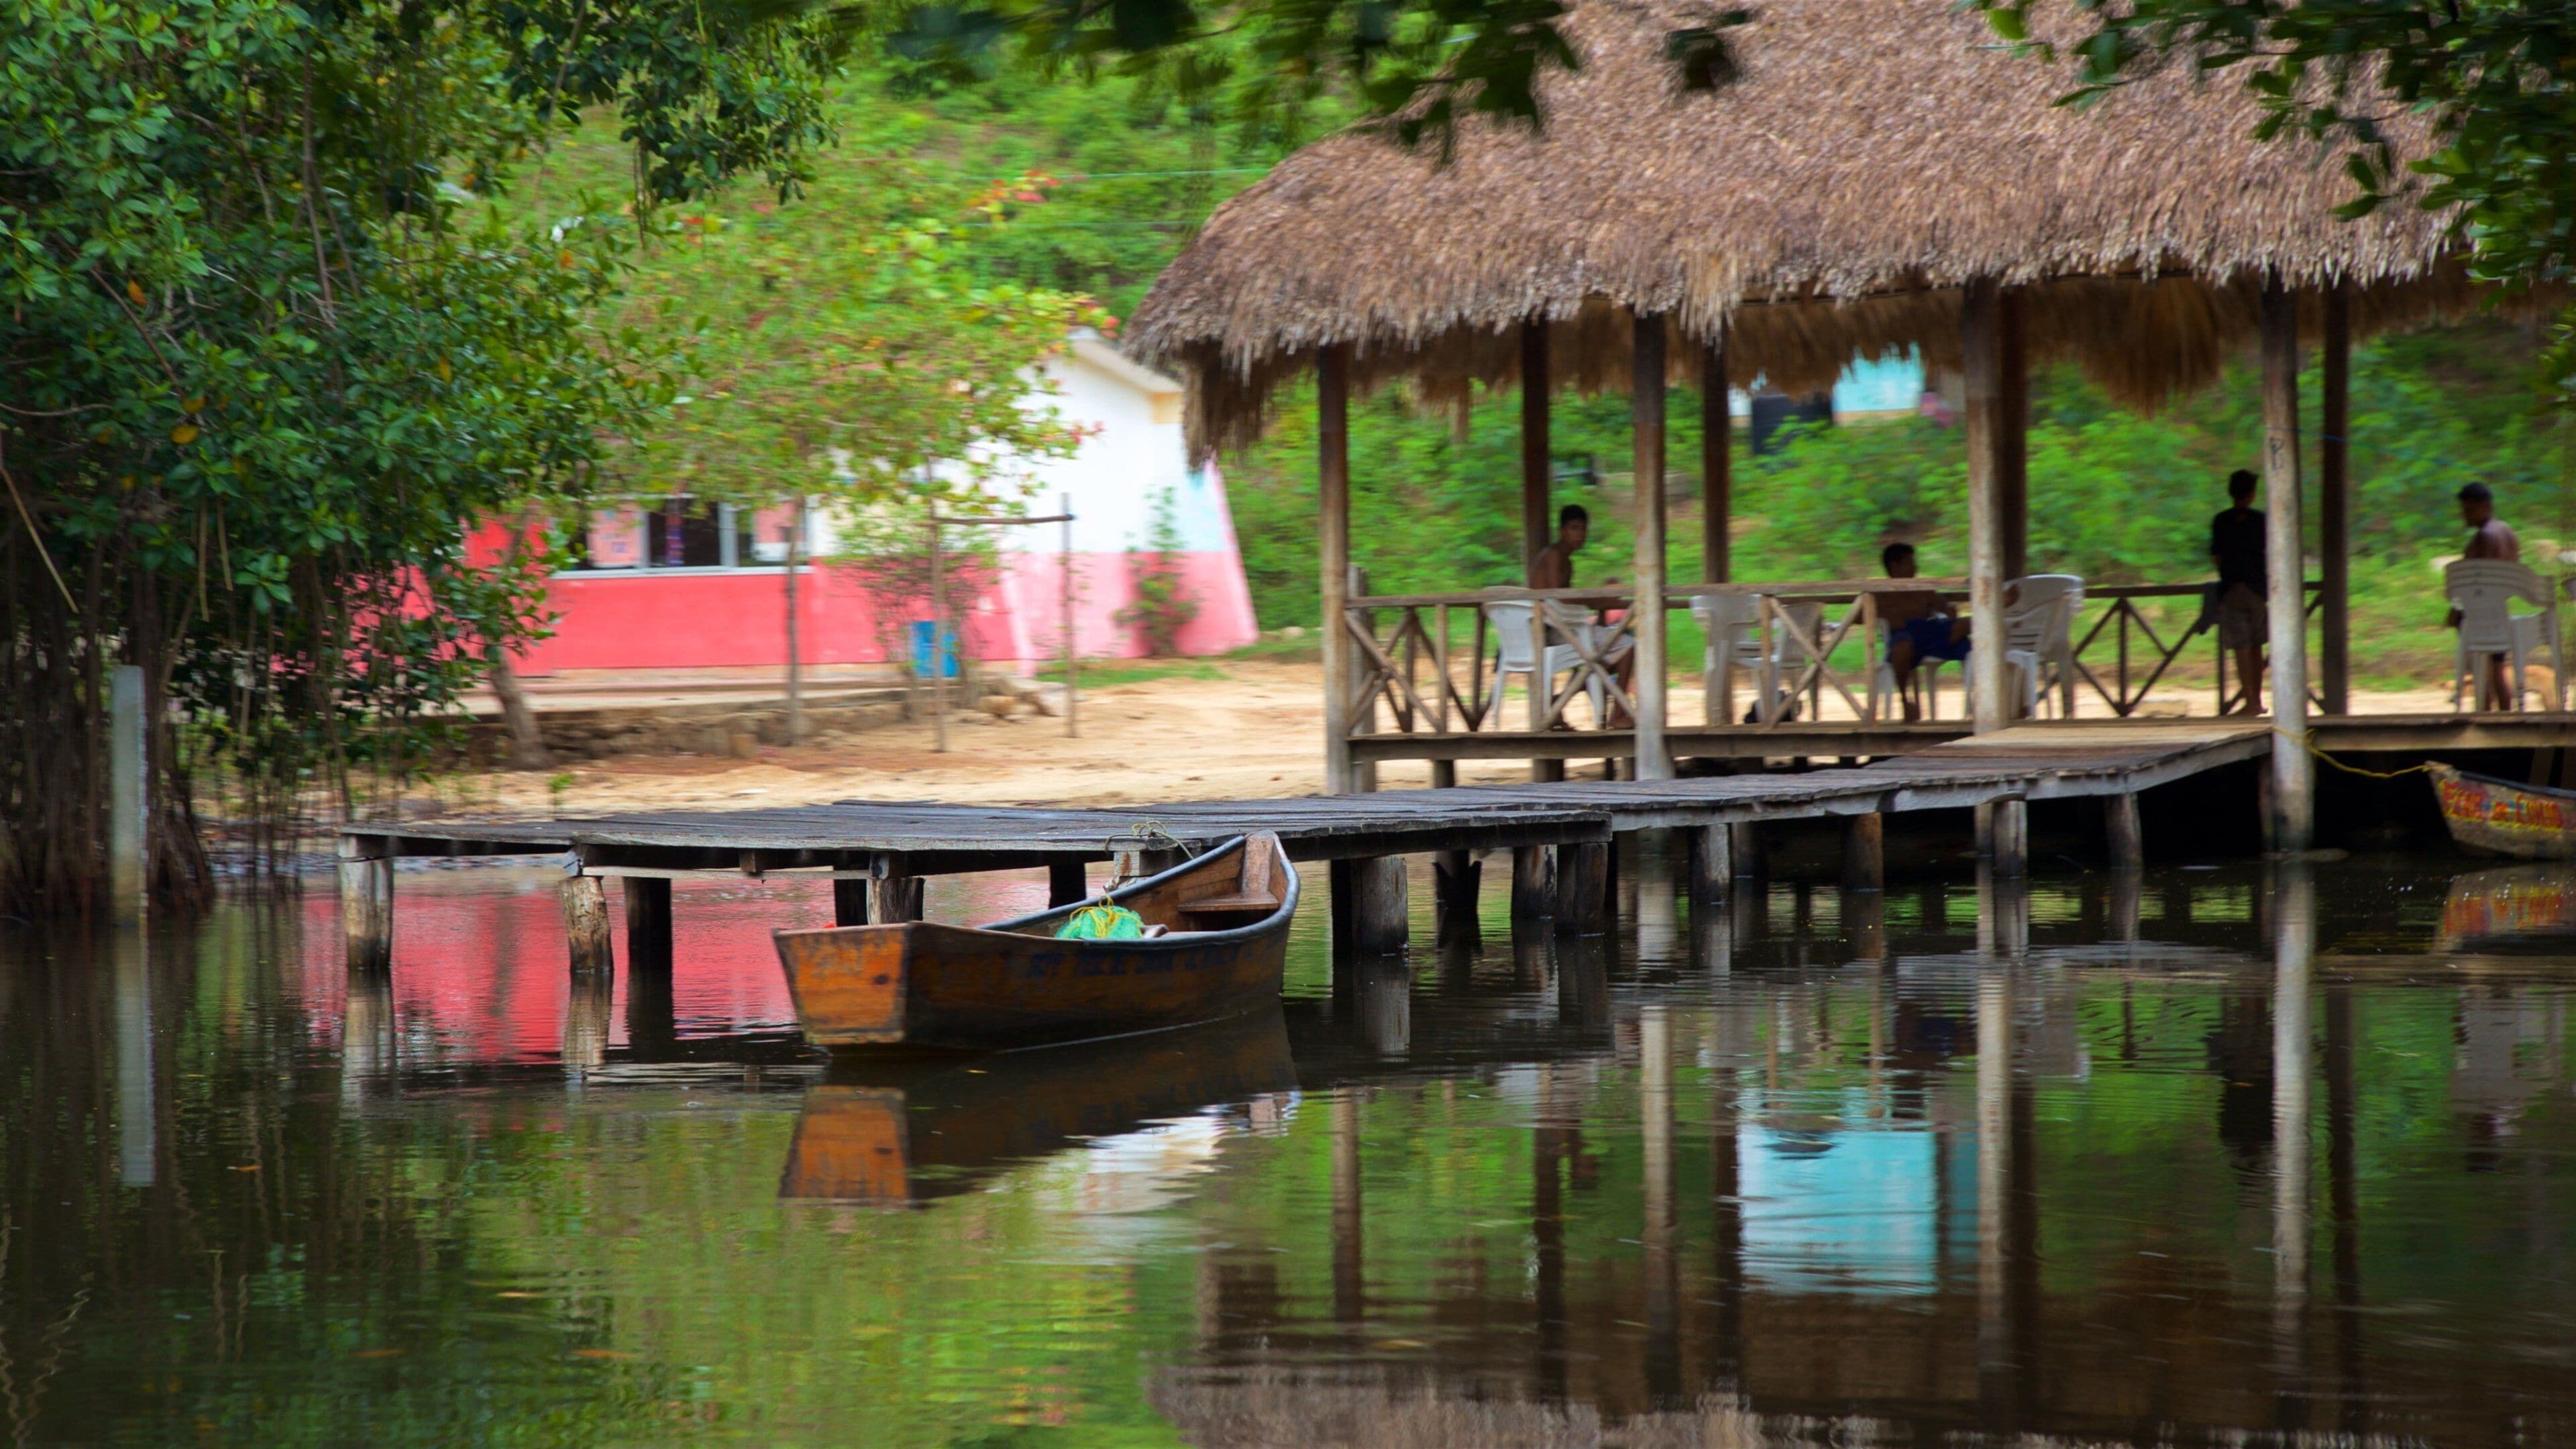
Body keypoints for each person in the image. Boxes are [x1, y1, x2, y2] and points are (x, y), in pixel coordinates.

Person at [1525, 502, 1635, 722]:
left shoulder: (1564, 559)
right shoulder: (1555, 556)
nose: (1580, 534)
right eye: (1574, 528)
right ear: (1562, 531)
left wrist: (1598, 603)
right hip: (1551, 632)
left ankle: (1556, 706)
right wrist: (1599, 600)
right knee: (1630, 647)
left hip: (1558, 630)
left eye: (1583, 529)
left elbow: (1565, 600)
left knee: (1598, 662)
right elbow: (1561, 597)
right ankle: (1619, 713)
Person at [2453, 481, 2523, 708]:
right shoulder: (2507, 531)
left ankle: (2483, 717)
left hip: (2478, 616)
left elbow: (2473, 582)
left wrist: (2455, 612)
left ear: (2484, 506)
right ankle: (2506, 719)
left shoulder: (2484, 537)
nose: (2465, 515)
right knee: (2498, 672)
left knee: (2482, 672)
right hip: (2500, 612)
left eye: (2469, 510)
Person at [1880, 543, 1968, 721]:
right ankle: (1905, 699)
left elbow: (1944, 607)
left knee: (1968, 624)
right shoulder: (1880, 592)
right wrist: (1886, 616)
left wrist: (1949, 610)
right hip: (1904, 635)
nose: (1915, 567)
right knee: (1902, 648)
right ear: (1894, 566)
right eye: (1909, 563)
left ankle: (1977, 698)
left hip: (1929, 633)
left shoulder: (1922, 588)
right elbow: (1860, 615)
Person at [2208, 468, 2268, 716]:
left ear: (2231, 492)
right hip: (2257, 590)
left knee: (2241, 647)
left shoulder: (2221, 521)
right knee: (2256, 646)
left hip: (2233, 588)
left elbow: (2217, 557)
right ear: (2252, 494)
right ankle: (2257, 701)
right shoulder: (2262, 520)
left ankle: (2251, 702)